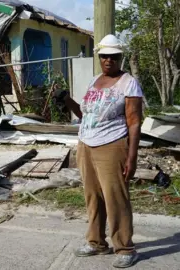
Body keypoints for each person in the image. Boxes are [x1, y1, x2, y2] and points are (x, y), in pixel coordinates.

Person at [53, 34, 143, 269]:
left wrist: (132, 157)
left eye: (113, 56)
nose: (108, 60)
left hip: (112, 145)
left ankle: (124, 247)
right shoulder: (95, 81)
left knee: (115, 197)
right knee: (93, 196)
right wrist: (67, 100)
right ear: (99, 57)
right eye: (104, 56)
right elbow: (85, 115)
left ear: (120, 57)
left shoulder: (128, 83)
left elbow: (134, 122)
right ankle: (96, 242)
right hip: (86, 144)